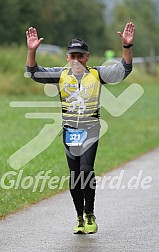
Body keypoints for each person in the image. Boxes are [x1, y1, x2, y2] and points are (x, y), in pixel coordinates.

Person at [26, 22, 135, 234]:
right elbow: (33, 72)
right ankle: (79, 217)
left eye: (80, 56)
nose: (76, 60)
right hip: (70, 130)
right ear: (67, 57)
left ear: (87, 57)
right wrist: (31, 51)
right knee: (75, 176)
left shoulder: (97, 74)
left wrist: (126, 47)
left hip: (91, 129)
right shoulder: (60, 74)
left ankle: (89, 212)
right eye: (72, 56)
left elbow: (124, 69)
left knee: (86, 170)